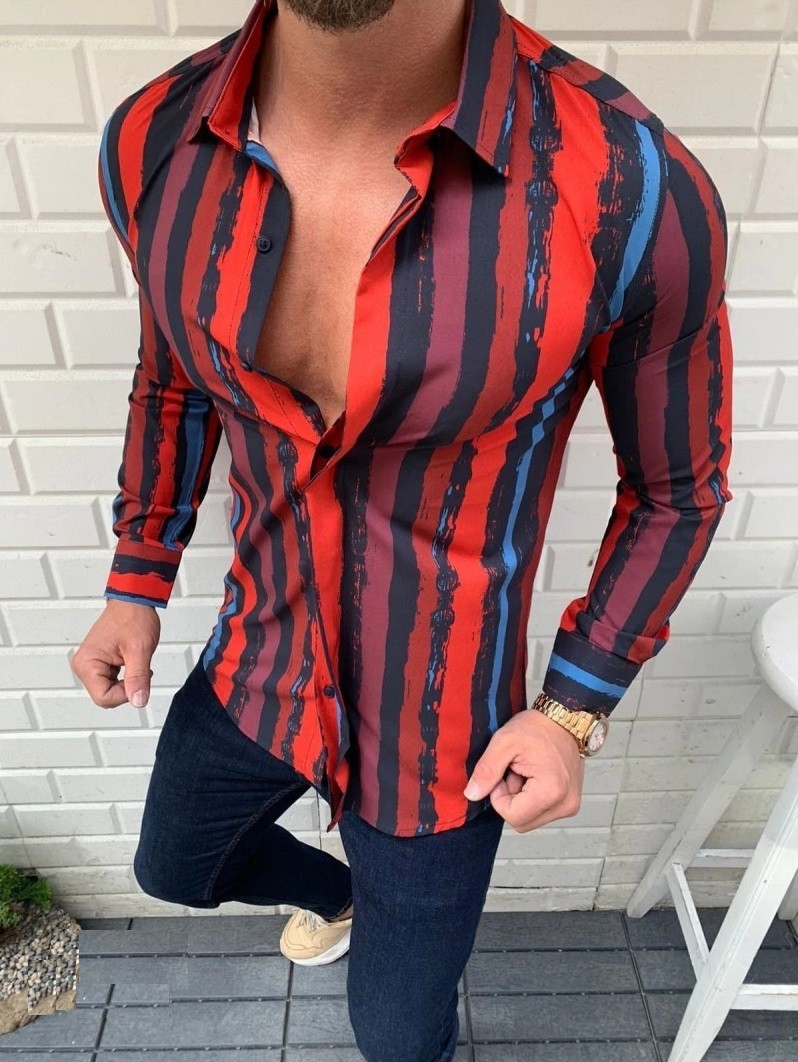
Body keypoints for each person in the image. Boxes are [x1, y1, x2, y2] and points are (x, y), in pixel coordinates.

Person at [71, 0, 733, 1058]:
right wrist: (136, 576)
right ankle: (344, 898)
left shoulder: (630, 182)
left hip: (446, 730)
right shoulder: (155, 140)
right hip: (259, 659)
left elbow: (677, 490)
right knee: (174, 866)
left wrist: (572, 710)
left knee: (397, 1037)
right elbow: (173, 376)